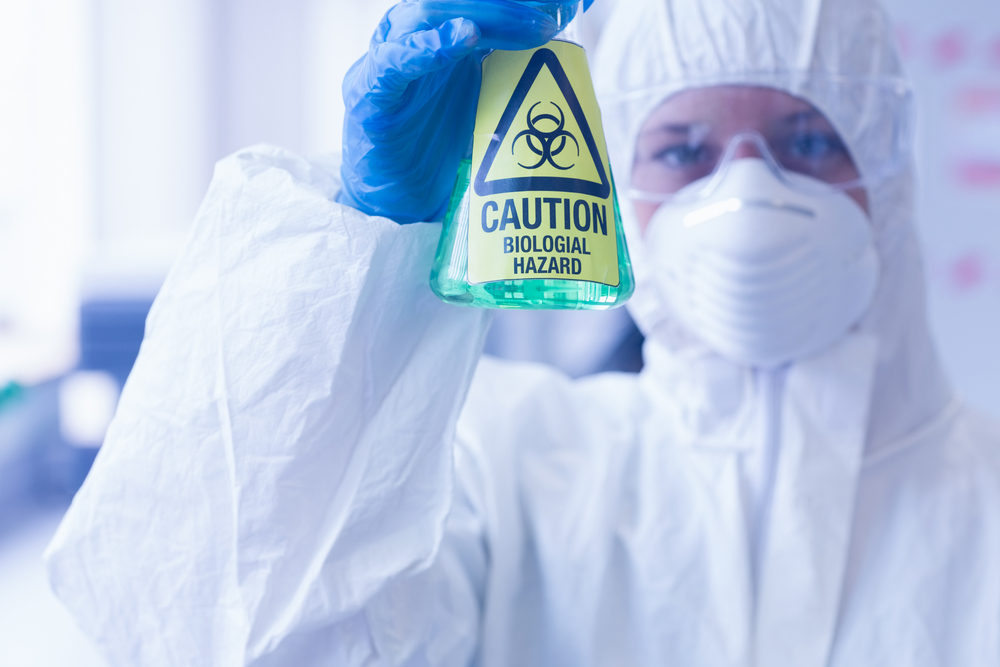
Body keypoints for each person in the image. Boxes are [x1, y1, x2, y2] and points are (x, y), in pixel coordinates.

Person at [46, 0, 1000, 665]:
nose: (746, 194)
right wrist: (362, 255)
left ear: (888, 168)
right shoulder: (506, 464)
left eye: (806, 142)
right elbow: (231, 630)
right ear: (620, 186)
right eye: (682, 151)